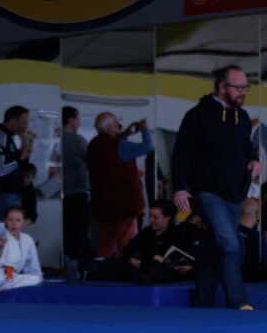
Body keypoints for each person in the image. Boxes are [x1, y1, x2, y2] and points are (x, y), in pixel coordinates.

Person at [173, 65, 260, 309]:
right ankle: (238, 302)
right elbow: (181, 153)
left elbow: (246, 147)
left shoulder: (242, 117)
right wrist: (180, 187)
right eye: (238, 87)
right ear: (222, 87)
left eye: (245, 87)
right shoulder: (198, 115)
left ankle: (202, 299)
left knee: (216, 248)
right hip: (208, 191)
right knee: (232, 246)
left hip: (234, 193)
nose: (243, 92)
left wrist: (253, 160)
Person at [87, 112, 154, 257]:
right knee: (127, 245)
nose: (119, 124)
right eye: (116, 122)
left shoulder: (92, 146)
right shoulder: (119, 146)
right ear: (109, 126)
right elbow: (148, 147)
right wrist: (144, 129)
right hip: (124, 204)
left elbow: (111, 153)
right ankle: (124, 269)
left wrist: (124, 134)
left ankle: (102, 270)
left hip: (102, 205)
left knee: (105, 246)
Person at [0, 106, 30, 250]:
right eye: (23, 123)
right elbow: (0, 170)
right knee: (0, 239)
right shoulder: (0, 137)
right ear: (12, 121)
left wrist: (20, 156)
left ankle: (4, 263)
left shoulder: (9, 138)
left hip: (7, 195)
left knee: (9, 240)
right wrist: (19, 159)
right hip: (2, 197)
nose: (25, 127)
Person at [61, 106, 91, 279]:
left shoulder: (56, 139)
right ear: (71, 120)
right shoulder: (77, 140)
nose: (79, 123)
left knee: (67, 233)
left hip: (61, 195)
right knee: (79, 234)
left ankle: (67, 264)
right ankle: (78, 269)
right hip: (78, 193)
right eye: (78, 119)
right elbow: (93, 160)